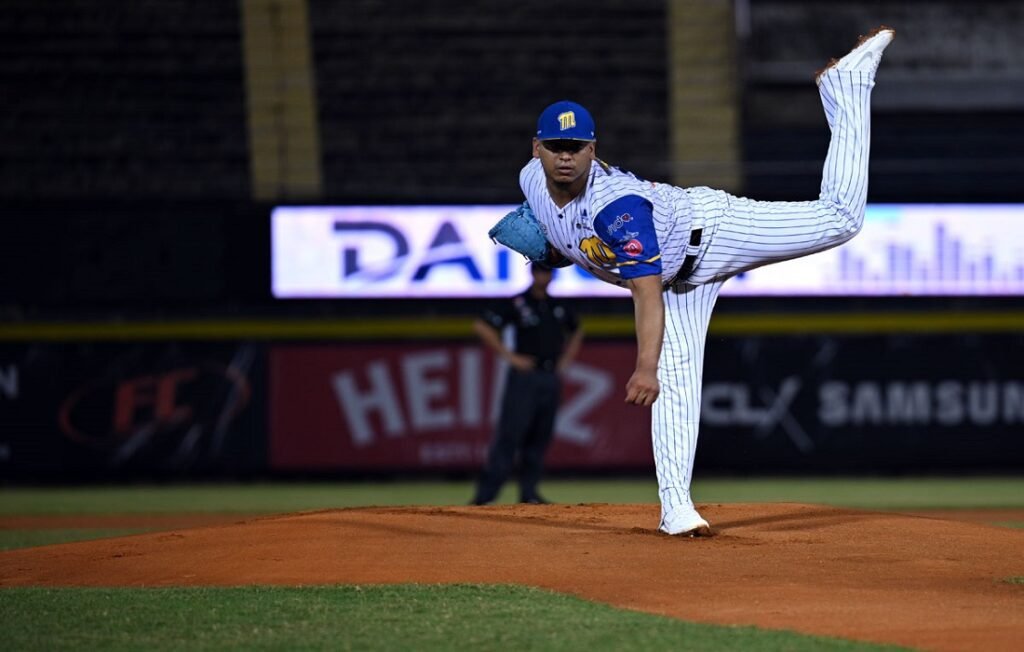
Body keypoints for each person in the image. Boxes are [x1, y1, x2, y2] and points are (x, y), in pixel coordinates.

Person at [514, 27, 895, 534]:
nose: (565, 156)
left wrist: (643, 367)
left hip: (711, 232)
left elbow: (644, 290)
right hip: (681, 281)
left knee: (842, 219)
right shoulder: (530, 181)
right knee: (678, 384)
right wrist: (559, 248)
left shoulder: (618, 210)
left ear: (592, 150)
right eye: (556, 146)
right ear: (536, 149)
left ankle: (844, 87)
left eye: (576, 146)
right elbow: (570, 237)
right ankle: (676, 510)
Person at [471, 262, 584, 505]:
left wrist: (565, 360)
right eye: (540, 271)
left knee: (540, 436)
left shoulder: (558, 305)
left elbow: (577, 330)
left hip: (549, 375)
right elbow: (482, 326)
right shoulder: (518, 303)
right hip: (525, 377)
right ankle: (485, 497)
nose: (544, 276)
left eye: (547, 271)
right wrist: (510, 356)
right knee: (510, 435)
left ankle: (529, 494)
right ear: (532, 273)